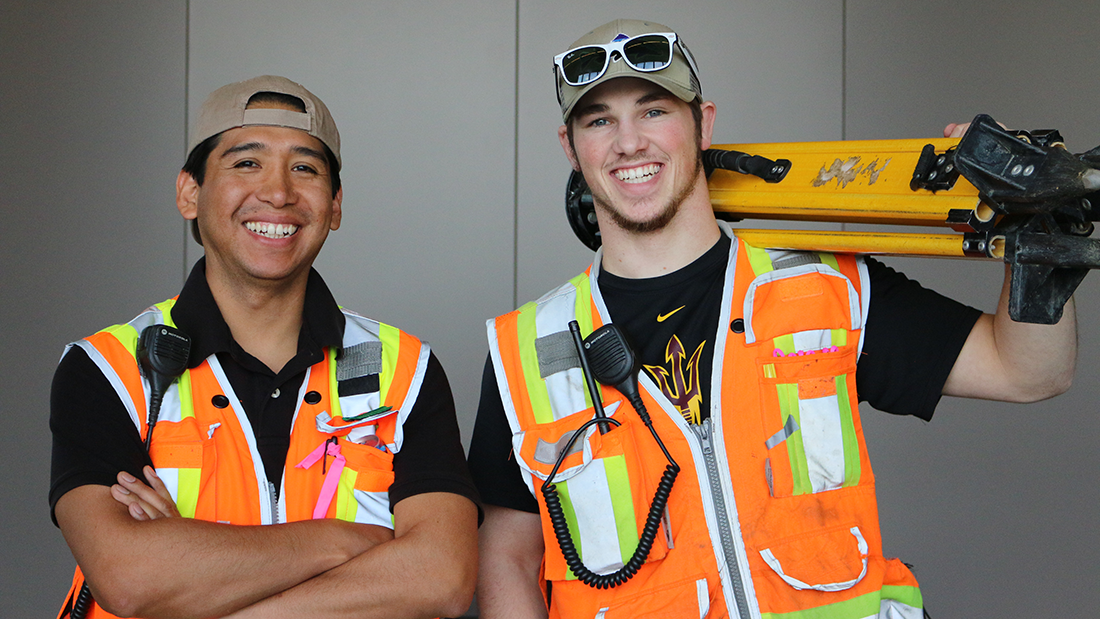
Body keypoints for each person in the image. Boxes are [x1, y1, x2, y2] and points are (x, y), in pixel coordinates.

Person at [467, 19, 1076, 619]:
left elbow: (1027, 371)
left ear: (702, 124)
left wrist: (1037, 238)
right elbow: (510, 560)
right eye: (600, 121)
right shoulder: (527, 350)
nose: (630, 143)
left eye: (654, 111)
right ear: (570, 148)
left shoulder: (825, 287)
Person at [50, 75, 479, 619]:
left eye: (305, 168)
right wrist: (347, 541)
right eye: (246, 163)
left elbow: (441, 577)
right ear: (190, 193)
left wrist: (192, 569)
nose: (278, 192)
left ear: (336, 206)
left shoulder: (406, 369)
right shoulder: (107, 369)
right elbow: (131, 579)